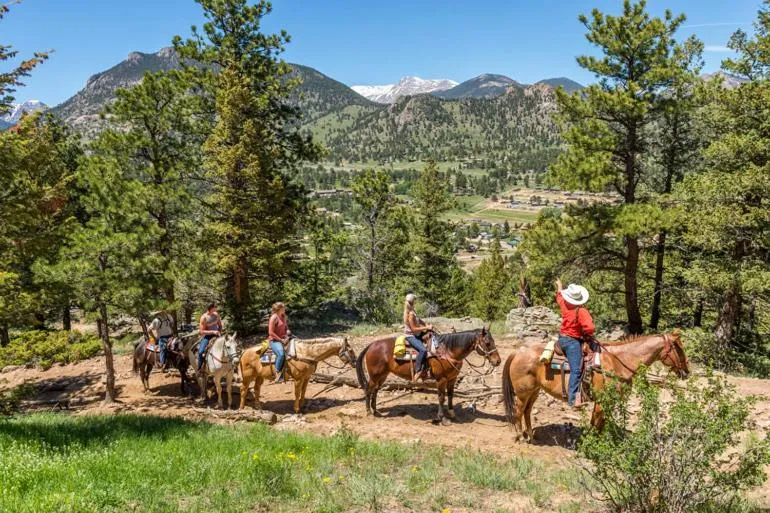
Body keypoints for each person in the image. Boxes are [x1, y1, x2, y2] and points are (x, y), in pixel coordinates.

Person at [555, 278, 595, 408]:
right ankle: (572, 399)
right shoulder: (581, 311)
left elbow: (559, 296)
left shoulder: (564, 304)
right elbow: (590, 328)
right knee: (576, 370)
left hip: (561, 338)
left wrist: (559, 286)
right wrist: (586, 333)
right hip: (572, 342)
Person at [403, 293, 433, 382]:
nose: (416, 301)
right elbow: (413, 328)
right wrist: (426, 327)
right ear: (413, 301)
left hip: (417, 334)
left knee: (431, 336)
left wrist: (426, 324)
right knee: (423, 350)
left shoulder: (413, 311)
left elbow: (419, 320)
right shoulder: (410, 314)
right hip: (411, 336)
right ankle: (418, 371)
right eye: (415, 300)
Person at [268, 302, 291, 383]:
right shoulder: (274, 318)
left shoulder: (283, 316)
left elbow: (286, 328)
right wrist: (281, 340)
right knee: (281, 354)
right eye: (283, 308)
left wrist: (288, 332)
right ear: (279, 309)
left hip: (284, 339)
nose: (284, 309)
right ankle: (277, 373)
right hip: (274, 340)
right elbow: (271, 332)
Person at [198, 302, 222, 371]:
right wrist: (213, 332)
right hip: (208, 336)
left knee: (228, 346)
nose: (216, 309)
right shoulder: (204, 317)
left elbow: (220, 325)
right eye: (215, 307)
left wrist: (219, 332)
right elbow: (202, 331)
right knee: (201, 352)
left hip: (217, 335)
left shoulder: (216, 315)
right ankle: (200, 368)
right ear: (211, 308)